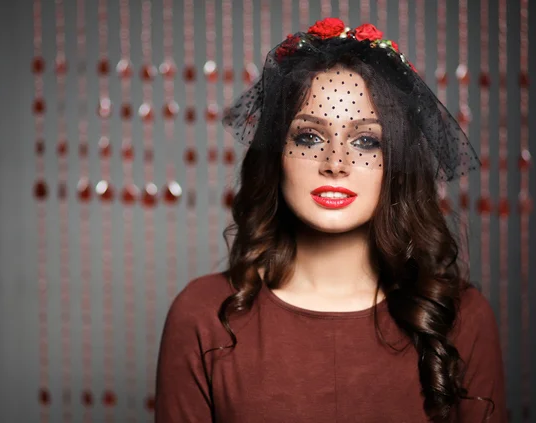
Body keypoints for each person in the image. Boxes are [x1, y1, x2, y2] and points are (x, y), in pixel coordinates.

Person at [155, 17, 507, 423]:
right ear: (276, 153)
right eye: (309, 137)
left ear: (397, 163)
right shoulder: (202, 316)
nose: (335, 162)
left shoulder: (460, 318)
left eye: (366, 141)